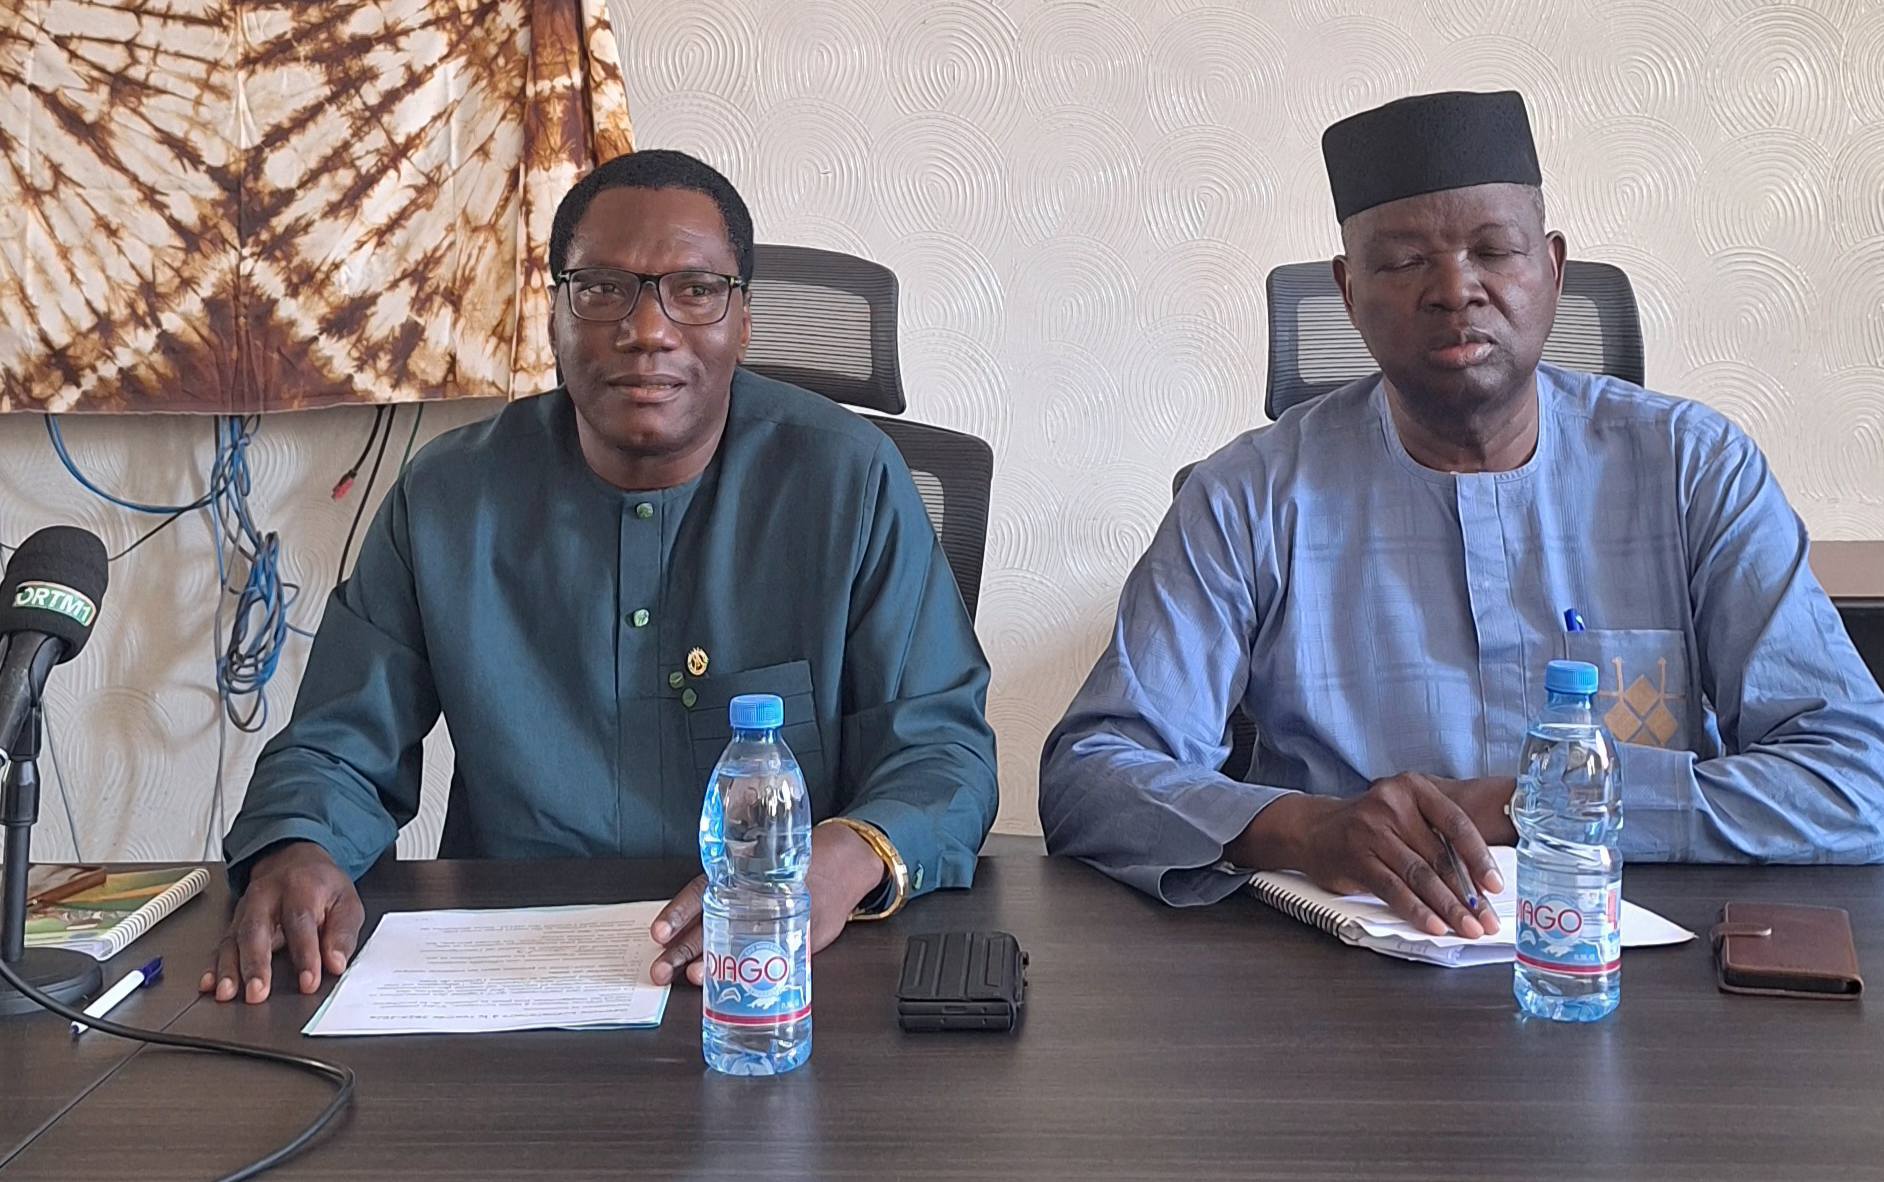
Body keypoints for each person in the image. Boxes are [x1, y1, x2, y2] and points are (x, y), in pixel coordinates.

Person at [1040, 90, 1884, 935]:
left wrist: (1536, 802)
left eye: (1493, 250)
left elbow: (1858, 780)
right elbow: (1089, 775)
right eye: (1405, 261)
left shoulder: (1695, 470)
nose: (1454, 290)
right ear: (1348, 292)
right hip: (1338, 970)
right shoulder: (1248, 496)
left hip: (1633, 963)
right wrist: (1304, 828)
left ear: (1553, 270)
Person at [203, 150, 999, 1003]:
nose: (648, 329)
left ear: (744, 322)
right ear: (553, 314)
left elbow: (942, 752)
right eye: (603, 288)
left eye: (696, 290)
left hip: (775, 976)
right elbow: (338, 745)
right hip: (509, 975)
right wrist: (299, 848)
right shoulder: (449, 496)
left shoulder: (850, 481)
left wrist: (839, 863)